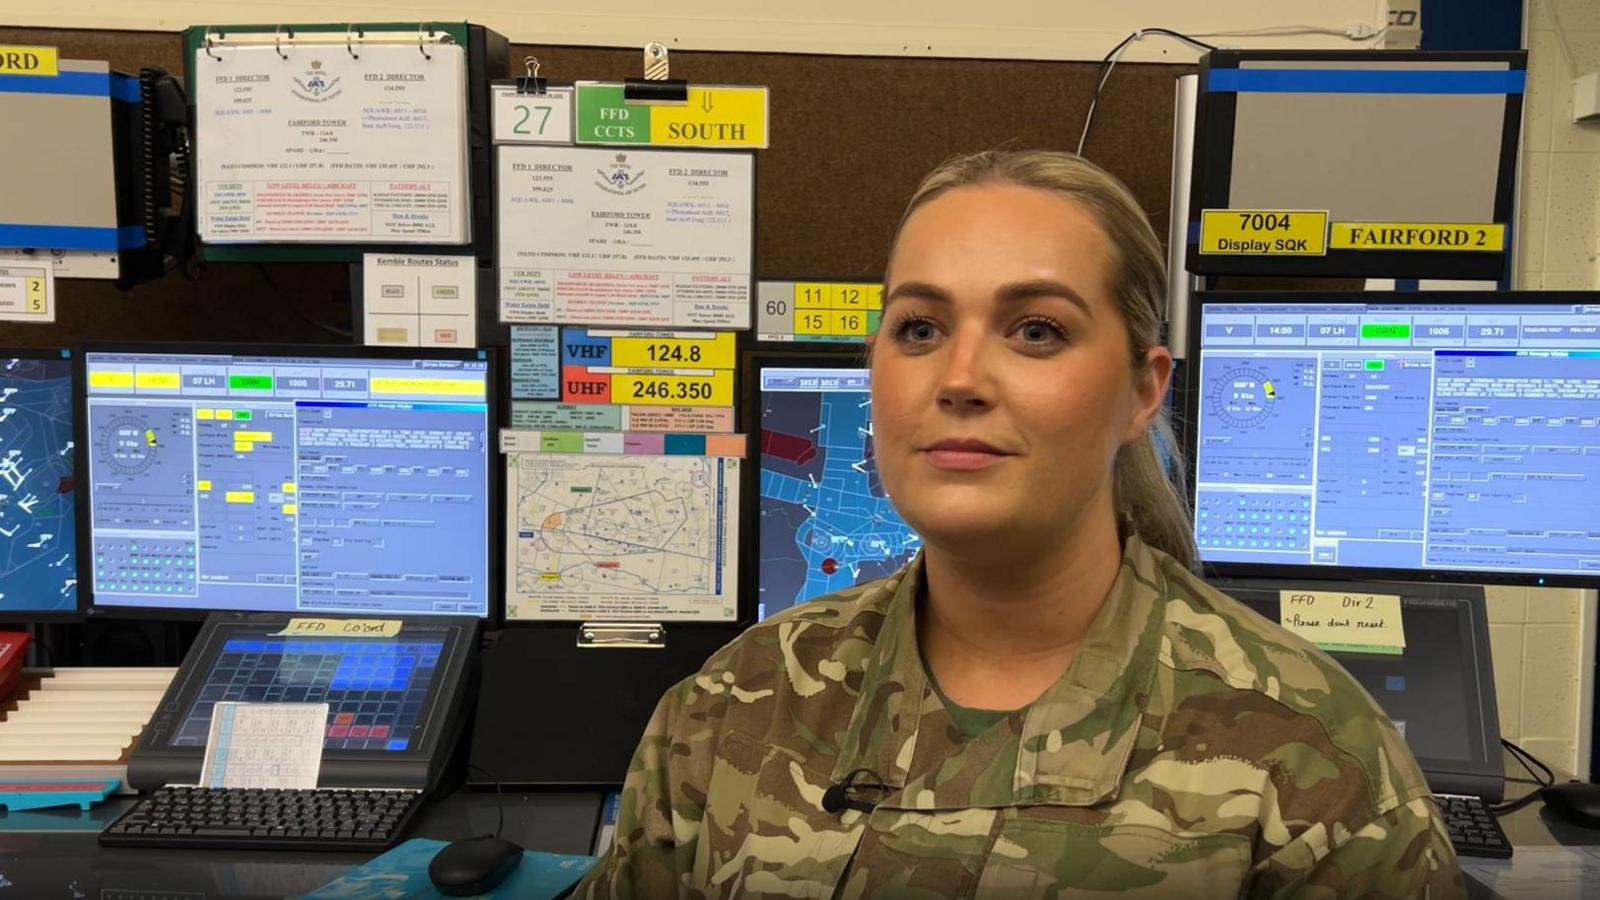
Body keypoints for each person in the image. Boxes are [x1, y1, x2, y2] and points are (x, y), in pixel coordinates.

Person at [575, 150, 1462, 898]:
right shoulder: (734, 710)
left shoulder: (1311, 758)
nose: (958, 377)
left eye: (1036, 331)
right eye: (918, 328)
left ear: (1143, 391)